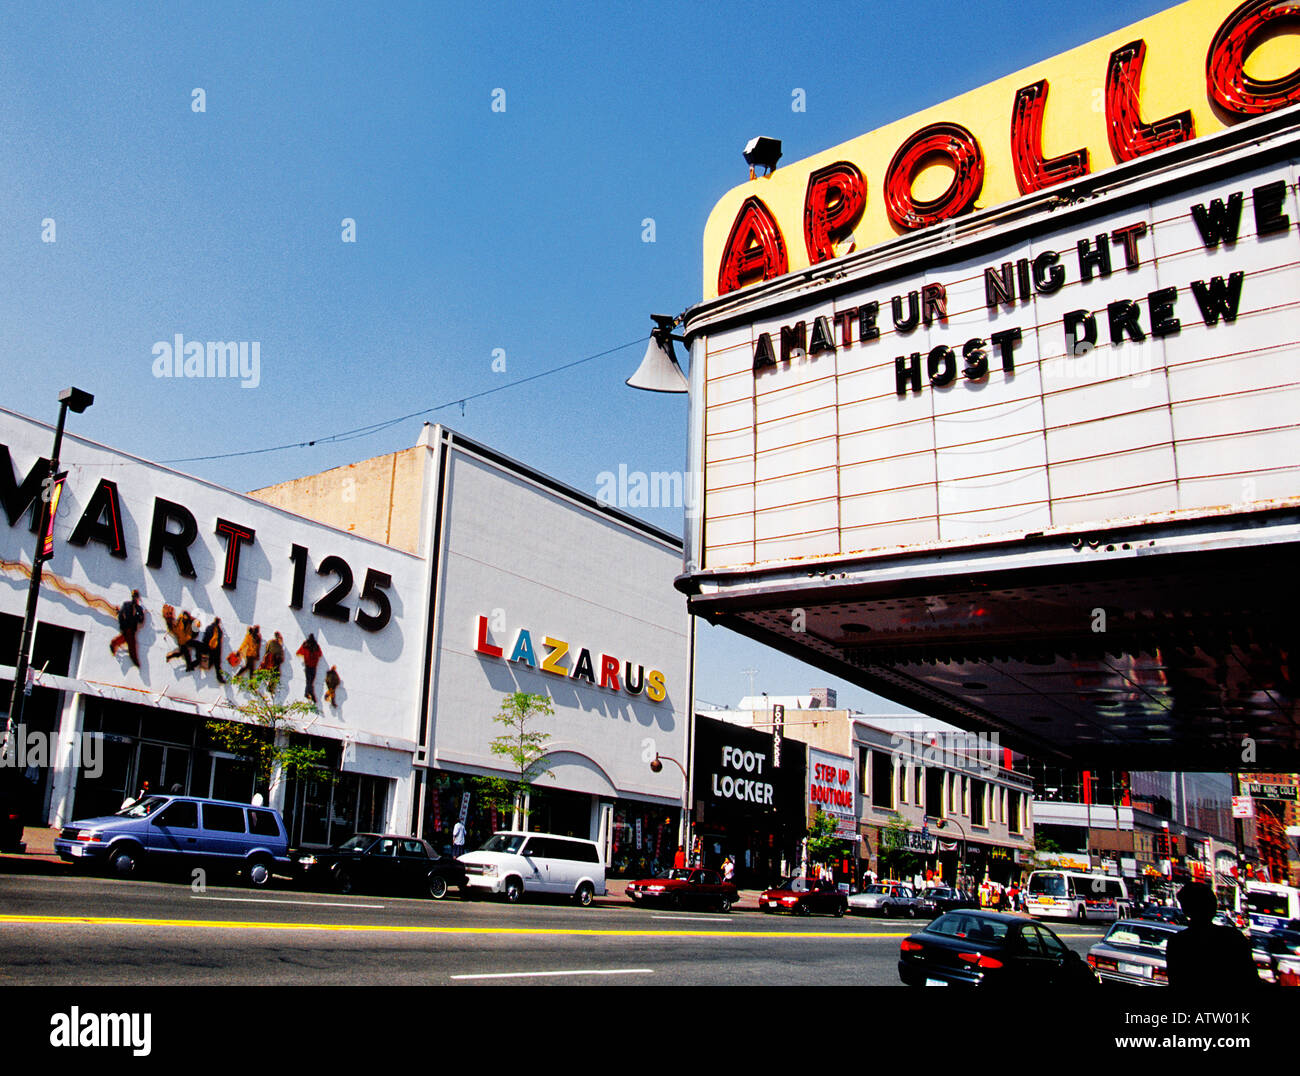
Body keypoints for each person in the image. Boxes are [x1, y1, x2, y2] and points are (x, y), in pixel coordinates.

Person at [1164, 881, 1258, 988]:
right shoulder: (1233, 937)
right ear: (1213, 907)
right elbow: (1250, 977)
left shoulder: (1178, 942)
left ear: (1185, 910)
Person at [109, 590, 146, 667]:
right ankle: (135, 661)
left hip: (132, 628)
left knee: (128, 642)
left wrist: (138, 616)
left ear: (138, 598)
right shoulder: (126, 604)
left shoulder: (139, 609)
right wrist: (122, 625)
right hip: (126, 627)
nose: (134, 598)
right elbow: (120, 615)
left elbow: (141, 620)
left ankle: (114, 644)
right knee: (132, 646)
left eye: (136, 597)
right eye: (133, 596)